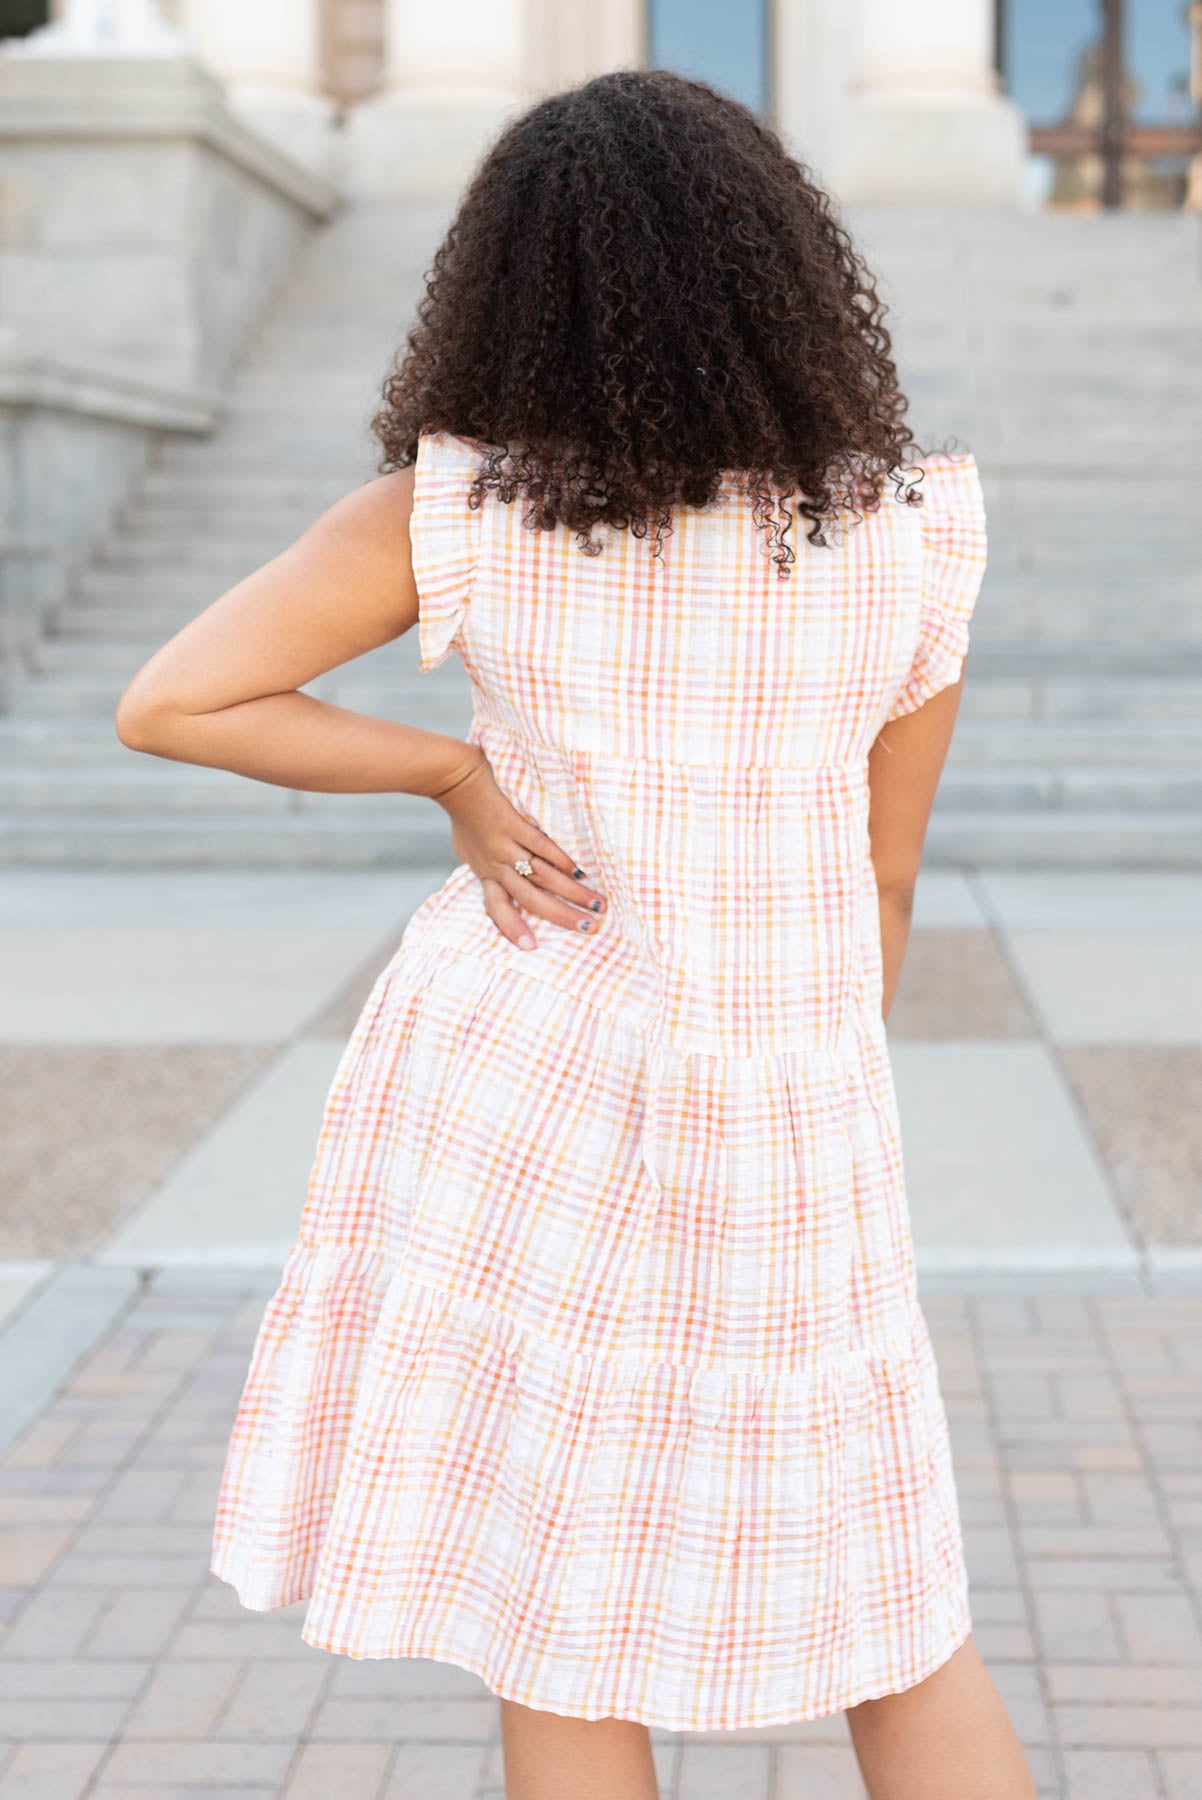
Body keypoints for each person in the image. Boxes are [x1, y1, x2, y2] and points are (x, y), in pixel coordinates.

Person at [114, 68, 1037, 1800]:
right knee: (896, 1607)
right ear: (780, 269)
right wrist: (804, 1085)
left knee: (561, 1608)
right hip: (789, 1118)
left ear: (508, 285)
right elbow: (882, 877)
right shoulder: (910, 535)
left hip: (526, 1094)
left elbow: (176, 701)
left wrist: (451, 774)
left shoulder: (459, 512)